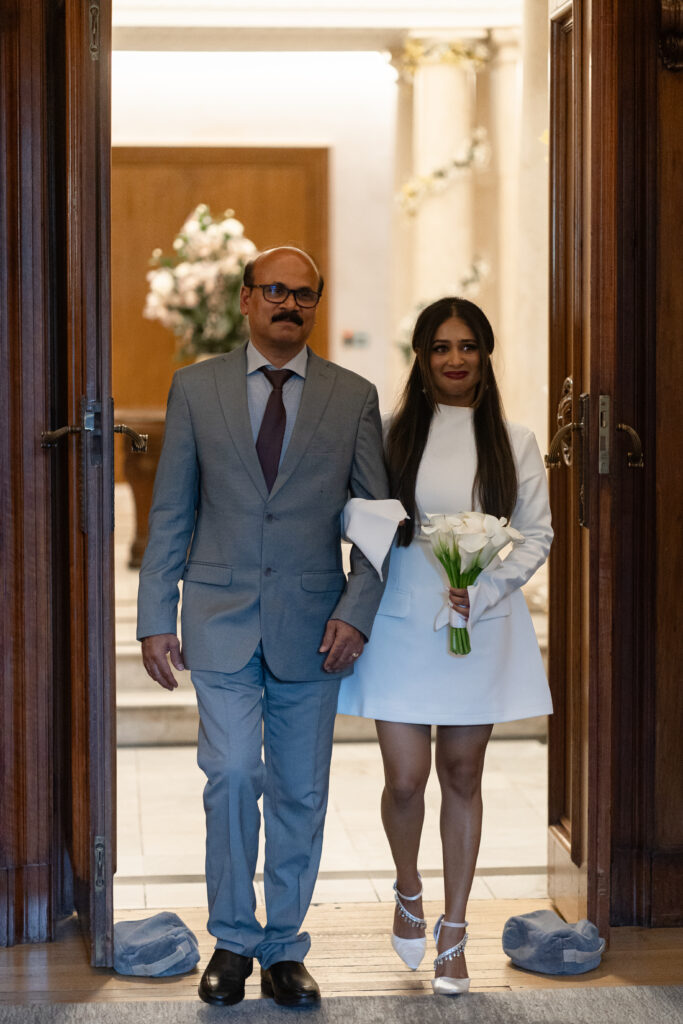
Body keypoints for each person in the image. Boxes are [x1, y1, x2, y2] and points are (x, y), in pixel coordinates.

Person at [137, 246, 389, 1008]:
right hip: (217, 619)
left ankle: (283, 947)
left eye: (304, 295)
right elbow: (172, 509)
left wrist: (356, 610)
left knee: (301, 792)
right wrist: (155, 617)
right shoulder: (196, 388)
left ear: (315, 305)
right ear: (246, 299)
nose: (290, 304)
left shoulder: (352, 396)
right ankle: (232, 939)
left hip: (314, 627)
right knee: (233, 774)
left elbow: (378, 524)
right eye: (275, 290)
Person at [337, 297, 553, 996]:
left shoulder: (514, 441)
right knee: (404, 778)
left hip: (477, 623)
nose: (454, 359)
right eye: (440, 347)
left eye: (466, 346)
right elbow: (353, 512)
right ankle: (407, 891)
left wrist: (484, 590)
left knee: (462, 774)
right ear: (421, 358)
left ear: (484, 356)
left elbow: (537, 535)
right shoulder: (391, 432)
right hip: (401, 620)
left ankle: (454, 931)